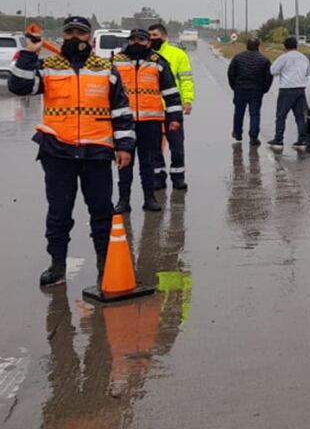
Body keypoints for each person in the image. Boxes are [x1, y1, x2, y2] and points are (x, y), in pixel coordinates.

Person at [7, 16, 135, 287]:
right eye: (70, 32)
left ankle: (104, 264)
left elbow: (121, 112)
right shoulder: (49, 66)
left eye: (80, 32)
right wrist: (30, 53)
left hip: (97, 152)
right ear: (63, 36)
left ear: (89, 37)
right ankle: (57, 264)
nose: (75, 37)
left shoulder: (106, 69)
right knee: (59, 212)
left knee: (101, 212)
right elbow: (19, 87)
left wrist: (125, 147)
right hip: (58, 151)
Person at [112, 29, 183, 214]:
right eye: (133, 39)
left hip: (150, 122)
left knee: (148, 163)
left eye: (141, 40)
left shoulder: (158, 63)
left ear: (148, 43)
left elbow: (171, 93)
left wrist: (175, 118)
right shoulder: (116, 61)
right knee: (124, 162)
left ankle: (149, 198)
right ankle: (123, 200)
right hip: (123, 122)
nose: (137, 43)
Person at [148, 23, 193, 191]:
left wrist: (187, 100)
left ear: (164, 37)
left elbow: (186, 80)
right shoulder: (146, 56)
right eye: (150, 35)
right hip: (151, 109)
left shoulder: (177, 55)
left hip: (172, 108)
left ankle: (178, 177)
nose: (152, 38)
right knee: (154, 146)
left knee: (177, 145)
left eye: (155, 35)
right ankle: (158, 177)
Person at [227, 37, 272, 145]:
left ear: (247, 46)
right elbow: (268, 77)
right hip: (256, 90)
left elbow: (230, 73)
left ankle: (238, 133)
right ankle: (253, 137)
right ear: (258, 46)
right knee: (255, 114)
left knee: (239, 112)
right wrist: (264, 89)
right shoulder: (264, 60)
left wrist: (234, 86)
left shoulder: (238, 58)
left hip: (240, 89)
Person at [268, 36, 310, 148]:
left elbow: (273, 71)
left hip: (287, 90)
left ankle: (278, 139)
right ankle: (302, 139)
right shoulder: (304, 58)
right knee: (300, 116)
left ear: (285, 46)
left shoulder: (283, 58)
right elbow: (308, 72)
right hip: (301, 89)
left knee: (281, 116)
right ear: (296, 45)